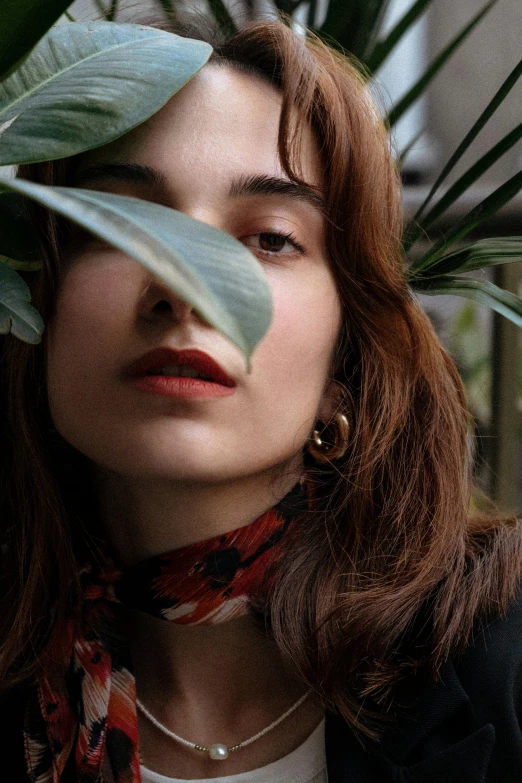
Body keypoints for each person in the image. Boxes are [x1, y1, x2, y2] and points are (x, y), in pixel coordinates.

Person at [1, 15, 522, 783]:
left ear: (345, 360)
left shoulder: (498, 658)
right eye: (120, 222)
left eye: (270, 238)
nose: (185, 284)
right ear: (33, 302)